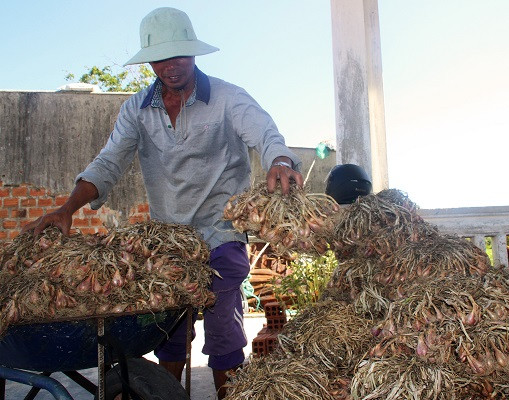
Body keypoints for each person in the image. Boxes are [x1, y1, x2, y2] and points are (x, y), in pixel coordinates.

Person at [22, 7, 303, 399]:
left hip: (221, 235)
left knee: (224, 336)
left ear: (194, 53)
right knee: (167, 336)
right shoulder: (136, 110)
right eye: (160, 59)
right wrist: (67, 208)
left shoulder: (228, 99)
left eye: (179, 56)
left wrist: (281, 161)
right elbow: (108, 162)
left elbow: (266, 134)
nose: (170, 67)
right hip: (167, 243)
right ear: (149, 61)